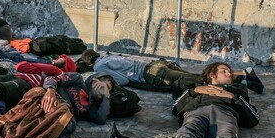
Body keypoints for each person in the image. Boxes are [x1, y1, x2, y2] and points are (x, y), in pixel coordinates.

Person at [151, 62, 259, 138]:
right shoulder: (198, 88)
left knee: (226, 135)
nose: (229, 74)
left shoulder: (237, 89)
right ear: (212, 74)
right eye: (224, 71)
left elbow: (253, 118)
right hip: (197, 110)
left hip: (225, 112)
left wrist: (232, 96)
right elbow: (175, 108)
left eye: (229, 72)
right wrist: (194, 91)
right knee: (190, 130)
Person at [80, 50, 265, 94]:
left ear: (89, 64)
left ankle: (243, 74)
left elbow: (123, 80)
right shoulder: (107, 55)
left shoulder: (99, 67)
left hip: (151, 74)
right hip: (157, 65)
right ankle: (245, 81)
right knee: (196, 78)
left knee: (199, 81)